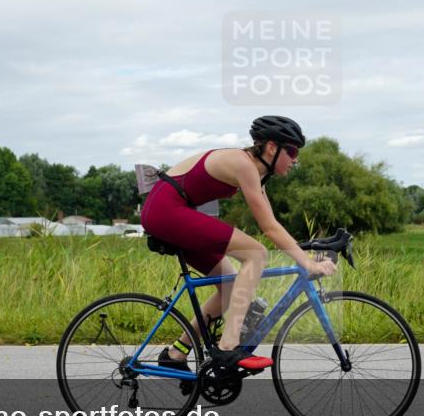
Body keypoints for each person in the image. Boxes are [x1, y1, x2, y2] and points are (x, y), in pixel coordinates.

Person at [139, 115, 338, 371]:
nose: (295, 159)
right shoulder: (243, 165)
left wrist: (307, 251)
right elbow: (268, 229)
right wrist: (308, 263)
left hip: (171, 210)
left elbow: (273, 223)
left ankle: (176, 354)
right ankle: (228, 346)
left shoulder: (257, 172)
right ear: (271, 147)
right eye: (292, 151)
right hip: (166, 211)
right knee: (255, 253)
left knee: (229, 284)